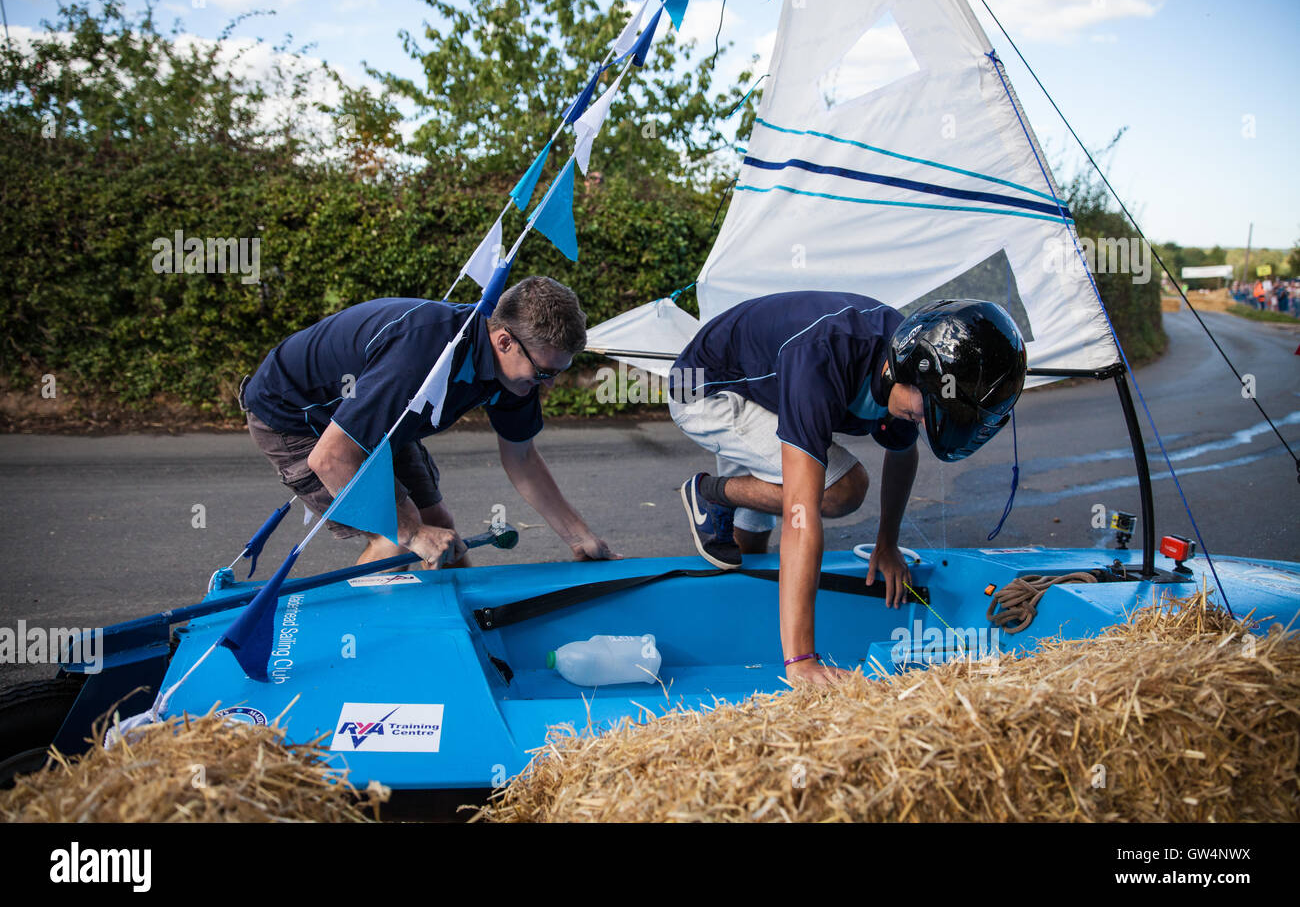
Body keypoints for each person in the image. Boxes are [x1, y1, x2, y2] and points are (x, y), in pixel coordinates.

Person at [668, 293, 1026, 685]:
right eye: (927, 412)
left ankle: (737, 629)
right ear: (908, 376)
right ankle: (711, 493)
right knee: (843, 489)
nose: (925, 424)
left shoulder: (910, 365)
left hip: (763, 380)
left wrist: (886, 544)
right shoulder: (822, 359)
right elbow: (800, 514)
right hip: (707, 391)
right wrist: (803, 661)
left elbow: (903, 454)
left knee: (748, 550)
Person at [240, 276, 616, 569]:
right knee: (399, 541)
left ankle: (473, 631)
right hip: (297, 417)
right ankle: (351, 648)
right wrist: (411, 532)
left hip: (375, 415)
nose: (547, 384)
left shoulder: (518, 373)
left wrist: (578, 535)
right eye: (544, 371)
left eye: (557, 373)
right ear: (504, 342)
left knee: (439, 526)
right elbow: (330, 458)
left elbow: (522, 459)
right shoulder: (425, 354)